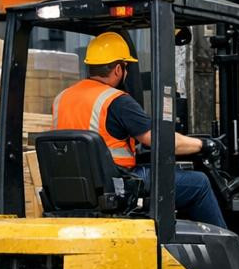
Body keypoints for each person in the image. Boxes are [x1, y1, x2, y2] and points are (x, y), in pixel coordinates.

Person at [53, 32, 227, 228]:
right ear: (118, 69)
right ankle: (226, 244)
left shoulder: (62, 97)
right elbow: (161, 140)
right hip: (115, 185)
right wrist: (204, 144)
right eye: (126, 67)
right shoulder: (116, 100)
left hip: (73, 186)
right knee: (199, 183)